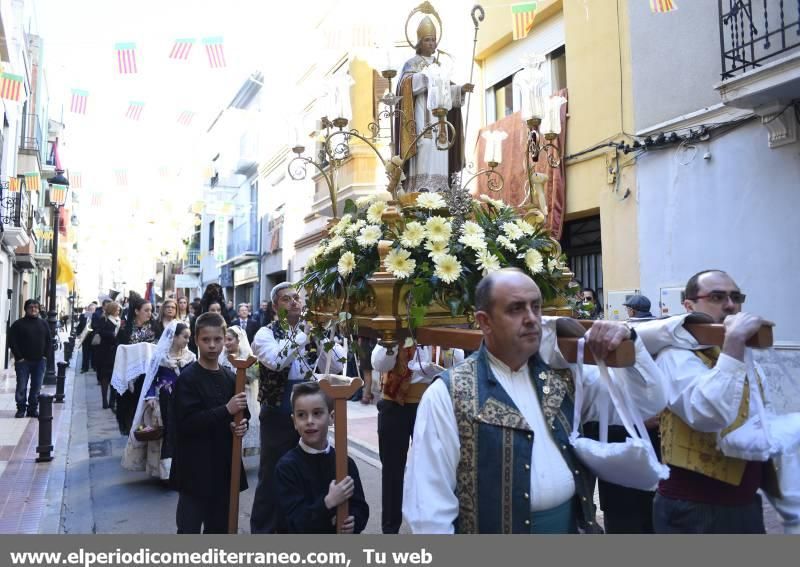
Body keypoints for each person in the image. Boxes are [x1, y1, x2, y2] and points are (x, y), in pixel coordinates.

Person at [403, 268, 666, 533]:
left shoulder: (565, 377)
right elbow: (429, 511)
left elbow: (646, 402)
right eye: (516, 309)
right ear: (485, 322)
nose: (531, 318)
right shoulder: (448, 393)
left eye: (536, 307)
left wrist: (631, 340)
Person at [644, 269, 796, 533]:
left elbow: (760, 423)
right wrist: (735, 342)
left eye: (736, 297)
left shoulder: (737, 355)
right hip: (695, 508)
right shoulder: (674, 355)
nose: (730, 305)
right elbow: (706, 414)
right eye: (717, 297)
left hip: (744, 502)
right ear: (689, 305)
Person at [249, 282, 345, 534]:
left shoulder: (311, 332)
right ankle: (265, 533)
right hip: (278, 413)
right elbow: (276, 361)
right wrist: (304, 334)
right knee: (272, 474)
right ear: (274, 307)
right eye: (286, 299)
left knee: (307, 472)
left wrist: (323, 334)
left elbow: (336, 365)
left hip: (310, 410)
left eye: (297, 298)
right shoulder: (264, 334)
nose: (294, 302)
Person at [371, 341, 463, 533]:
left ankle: (435, 526)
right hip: (394, 404)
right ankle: (390, 530)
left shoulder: (440, 332)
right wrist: (394, 341)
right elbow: (379, 363)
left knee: (434, 469)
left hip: (432, 405)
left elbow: (457, 364)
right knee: (392, 471)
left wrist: (447, 346)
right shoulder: (399, 327)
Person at [170, 313, 249, 533]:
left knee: (220, 529)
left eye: (217, 340)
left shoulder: (231, 377)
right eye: (206, 340)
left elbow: (243, 415)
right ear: (196, 340)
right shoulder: (187, 378)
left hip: (223, 466)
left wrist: (240, 426)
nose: (212, 345)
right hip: (195, 467)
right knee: (190, 529)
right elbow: (186, 423)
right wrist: (225, 410)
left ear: (225, 340)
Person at [274, 381, 369, 533]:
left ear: (331, 417)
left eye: (317, 413)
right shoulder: (286, 468)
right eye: (301, 415)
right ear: (294, 422)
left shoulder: (345, 463)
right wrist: (328, 502)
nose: (309, 421)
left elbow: (360, 507)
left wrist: (354, 521)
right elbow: (290, 522)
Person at [394, 15, 471, 193]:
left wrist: (460, 90)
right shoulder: (411, 64)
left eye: (434, 40)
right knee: (425, 145)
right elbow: (404, 86)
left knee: (441, 147)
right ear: (419, 43)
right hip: (421, 116)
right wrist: (425, 78)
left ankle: (441, 190)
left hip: (440, 122)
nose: (431, 43)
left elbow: (446, 90)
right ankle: (420, 189)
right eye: (427, 40)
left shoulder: (440, 66)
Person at [129, 322, 196, 481]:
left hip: (184, 402)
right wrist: (151, 396)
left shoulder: (190, 357)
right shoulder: (160, 357)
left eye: (189, 337)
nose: (188, 340)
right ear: (174, 337)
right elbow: (150, 378)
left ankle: (183, 470)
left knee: (183, 433)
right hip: (163, 401)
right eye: (185, 337)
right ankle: (165, 472)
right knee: (164, 434)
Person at [115, 292, 158, 436]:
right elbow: (121, 351)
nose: (149, 313)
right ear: (136, 311)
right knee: (128, 404)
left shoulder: (154, 328)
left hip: (148, 373)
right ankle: (128, 427)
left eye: (151, 310)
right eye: (146, 310)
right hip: (129, 372)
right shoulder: (125, 329)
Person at [219, 325, 261, 456]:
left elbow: (253, 376)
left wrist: (245, 377)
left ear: (238, 340)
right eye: (225, 339)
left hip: (245, 395)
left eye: (230, 339)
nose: (226, 343)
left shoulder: (248, 357)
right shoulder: (222, 357)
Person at [8, 299, 51, 418]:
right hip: (23, 362)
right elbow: (12, 341)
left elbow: (49, 341)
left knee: (36, 386)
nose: (34, 309)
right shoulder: (18, 324)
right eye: (31, 307)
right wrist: (19, 357)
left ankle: (32, 409)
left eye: (36, 307)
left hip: (39, 362)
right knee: (21, 386)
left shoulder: (43, 324)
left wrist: (45, 356)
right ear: (26, 309)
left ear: (38, 309)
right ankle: (21, 408)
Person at [94, 301, 124, 410]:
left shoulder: (120, 321)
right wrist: (112, 335)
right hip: (105, 352)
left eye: (119, 310)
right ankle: (104, 401)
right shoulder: (104, 319)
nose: (118, 311)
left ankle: (112, 401)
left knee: (115, 377)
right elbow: (100, 332)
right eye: (117, 310)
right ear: (112, 310)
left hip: (116, 352)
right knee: (105, 377)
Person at [76, 303, 97, 373]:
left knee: (94, 354)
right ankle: (84, 368)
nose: (91, 311)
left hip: (93, 338)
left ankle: (94, 367)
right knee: (85, 354)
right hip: (85, 338)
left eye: (93, 310)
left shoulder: (96, 317)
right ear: (87, 310)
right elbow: (79, 326)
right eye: (90, 309)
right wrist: (78, 334)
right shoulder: (83, 316)